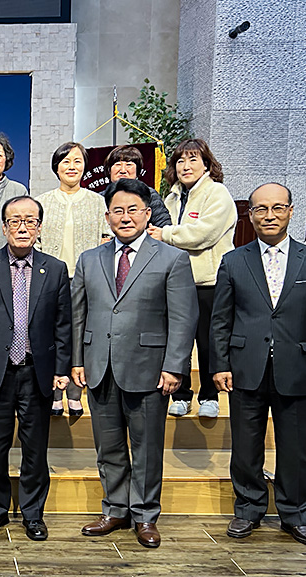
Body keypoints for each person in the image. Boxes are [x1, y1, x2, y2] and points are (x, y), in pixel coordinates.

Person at [211, 183, 306, 547]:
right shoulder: (234, 260)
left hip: (296, 366)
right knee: (246, 447)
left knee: (295, 446)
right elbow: (220, 319)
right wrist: (219, 364)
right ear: (250, 215)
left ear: (291, 211)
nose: (269, 215)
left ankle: (296, 514)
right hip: (246, 365)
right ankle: (248, 509)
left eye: (278, 208)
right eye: (261, 209)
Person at [72, 178, 197, 549]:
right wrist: (77, 361)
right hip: (99, 366)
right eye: (117, 211)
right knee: (107, 446)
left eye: (132, 210)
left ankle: (144, 515)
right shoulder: (89, 259)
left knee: (146, 448)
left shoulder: (172, 258)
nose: (125, 217)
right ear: (107, 216)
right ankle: (114, 509)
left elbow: (183, 318)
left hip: (149, 367)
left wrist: (175, 366)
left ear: (147, 213)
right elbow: (78, 315)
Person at [0, 195, 71, 541]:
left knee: (35, 448)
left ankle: (33, 513)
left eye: (30, 220)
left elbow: (63, 323)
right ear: (4, 227)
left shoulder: (55, 268)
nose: (22, 226)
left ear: (39, 227)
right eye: (15, 221)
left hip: (38, 371)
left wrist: (61, 367)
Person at [148, 138, 235, 419]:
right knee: (179, 341)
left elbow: (202, 234)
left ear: (206, 164)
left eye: (193, 159)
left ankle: (210, 396)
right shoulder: (171, 197)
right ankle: (181, 395)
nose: (186, 166)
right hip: (176, 281)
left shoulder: (218, 194)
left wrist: (166, 235)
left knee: (209, 342)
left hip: (209, 281)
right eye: (180, 161)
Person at [36, 141, 111, 418]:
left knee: (79, 334)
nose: (72, 166)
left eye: (77, 161)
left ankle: (76, 392)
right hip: (50, 279)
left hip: (85, 278)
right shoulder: (42, 201)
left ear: (85, 167)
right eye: (66, 161)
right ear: (57, 167)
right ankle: (55, 391)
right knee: (52, 334)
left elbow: (106, 239)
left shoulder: (97, 201)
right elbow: (37, 241)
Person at [102, 145, 172, 227]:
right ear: (109, 170)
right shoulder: (99, 198)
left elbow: (163, 227)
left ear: (137, 171)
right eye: (118, 164)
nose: (123, 170)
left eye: (129, 165)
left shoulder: (150, 195)